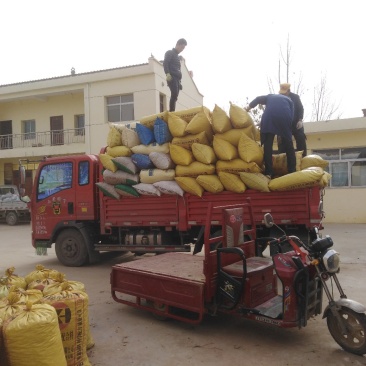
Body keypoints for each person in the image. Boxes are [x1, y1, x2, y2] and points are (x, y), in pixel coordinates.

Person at [246, 94, 296, 178]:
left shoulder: (270, 96)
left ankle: (269, 172)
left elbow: (258, 98)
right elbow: (291, 117)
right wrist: (285, 132)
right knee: (289, 146)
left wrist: (247, 109)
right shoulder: (290, 101)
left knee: (268, 146)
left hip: (269, 117)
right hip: (285, 118)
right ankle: (292, 170)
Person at [278, 83, 307, 157]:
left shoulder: (295, 97)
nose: (283, 94)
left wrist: (300, 120)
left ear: (288, 91)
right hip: (284, 125)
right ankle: (283, 158)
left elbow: (300, 109)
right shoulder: (279, 99)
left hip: (296, 123)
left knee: (301, 138)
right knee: (282, 141)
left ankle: (303, 157)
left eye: (285, 93)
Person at [163, 38, 187, 112]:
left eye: (183, 48)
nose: (182, 49)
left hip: (177, 78)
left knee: (175, 96)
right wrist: (167, 73)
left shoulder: (177, 57)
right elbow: (165, 63)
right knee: (174, 94)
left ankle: (172, 111)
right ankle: (171, 111)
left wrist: (179, 82)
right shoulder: (169, 52)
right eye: (182, 47)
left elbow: (178, 69)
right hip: (172, 77)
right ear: (178, 44)